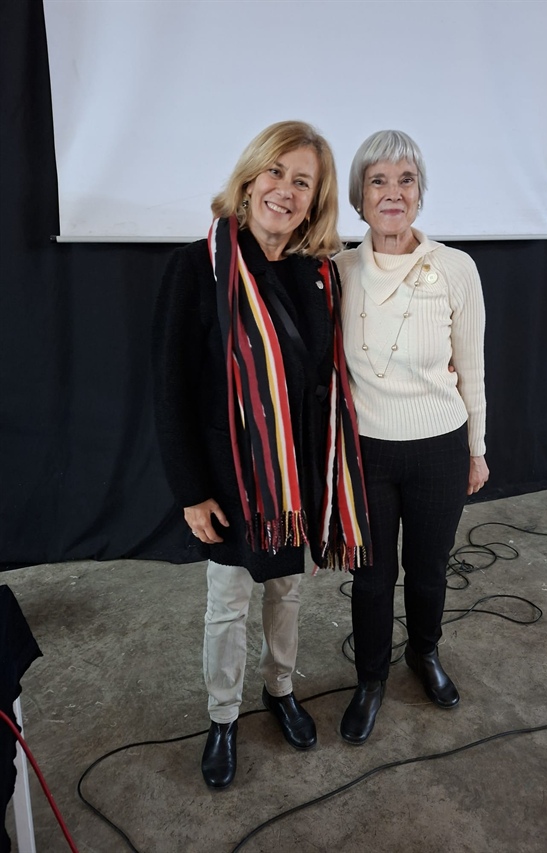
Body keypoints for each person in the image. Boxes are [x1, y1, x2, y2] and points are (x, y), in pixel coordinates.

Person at [152, 121, 370, 788]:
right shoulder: (198, 267)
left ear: (314, 201)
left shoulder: (317, 275)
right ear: (249, 180)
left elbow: (325, 378)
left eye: (302, 182)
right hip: (230, 480)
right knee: (227, 603)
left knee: (287, 591)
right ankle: (223, 716)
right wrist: (191, 491)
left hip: (295, 480)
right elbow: (170, 389)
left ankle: (280, 689)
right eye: (276, 172)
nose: (286, 190)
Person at [335, 130, 489, 745]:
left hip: (439, 447)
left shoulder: (455, 268)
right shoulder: (338, 271)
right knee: (371, 575)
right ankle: (370, 679)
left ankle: (423, 653)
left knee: (428, 568)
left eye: (406, 180)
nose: (392, 193)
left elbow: (472, 367)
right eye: (378, 181)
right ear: (360, 196)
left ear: (420, 193)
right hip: (366, 451)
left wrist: (477, 449)